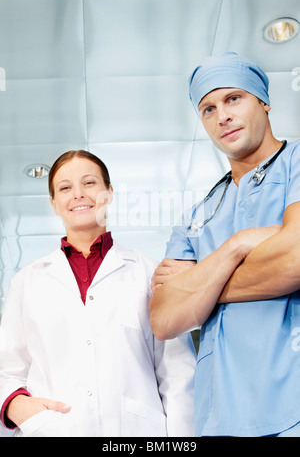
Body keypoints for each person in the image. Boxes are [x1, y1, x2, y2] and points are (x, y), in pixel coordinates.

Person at [149, 52, 300, 437]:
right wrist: (237, 246)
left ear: (264, 102)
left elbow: (294, 259)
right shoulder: (196, 218)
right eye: (208, 109)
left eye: (234, 98)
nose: (222, 116)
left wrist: (199, 284)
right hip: (221, 416)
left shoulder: (297, 162)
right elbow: (165, 319)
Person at [0, 150, 196, 438]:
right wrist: (18, 407)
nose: (78, 194)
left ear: (109, 193)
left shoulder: (149, 274)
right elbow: (8, 370)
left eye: (89, 183)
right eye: (65, 188)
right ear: (54, 204)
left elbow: (178, 375)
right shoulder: (26, 282)